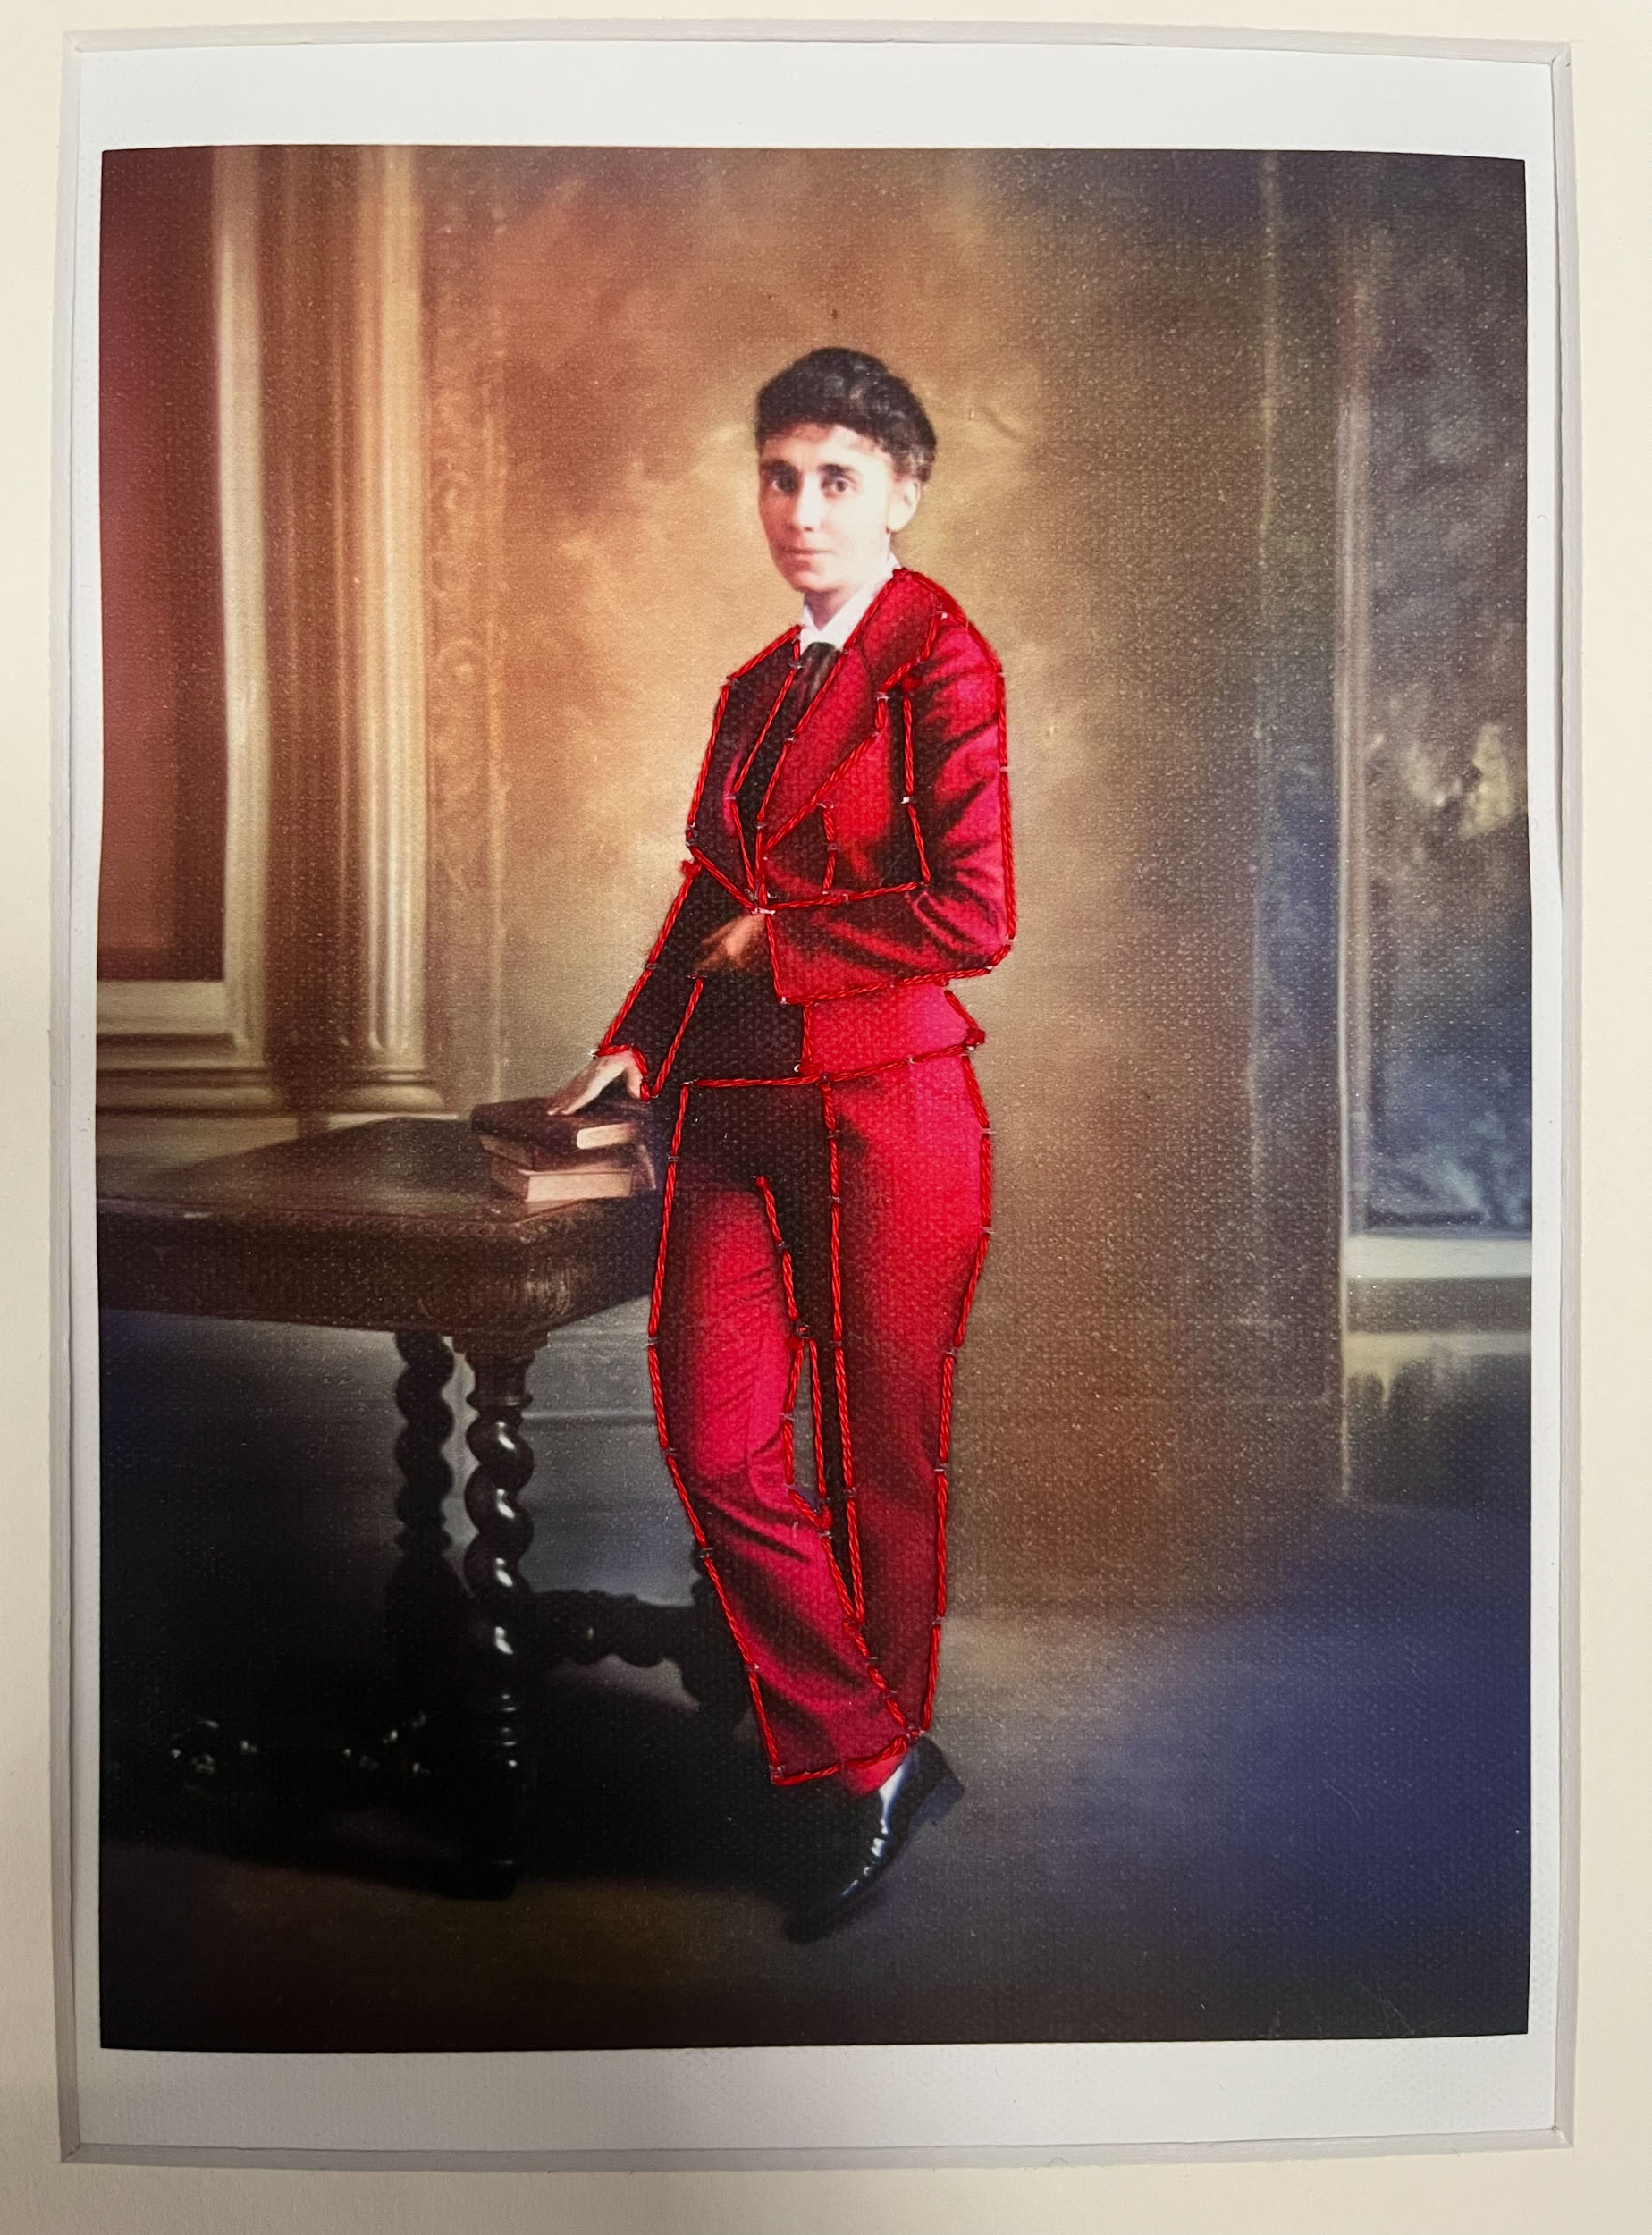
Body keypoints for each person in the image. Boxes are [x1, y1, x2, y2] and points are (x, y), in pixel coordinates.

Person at [555, 347, 1013, 1939]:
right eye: (779, 476)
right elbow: (709, 882)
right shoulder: (756, 687)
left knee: (880, 1453)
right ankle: (869, 1751)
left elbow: (975, 913)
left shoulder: (941, 659)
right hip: (731, 1105)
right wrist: (637, 1033)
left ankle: (857, 1778)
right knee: (719, 1438)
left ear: (903, 494)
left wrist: (789, 942)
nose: (802, 510)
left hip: (890, 1106)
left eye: (837, 480)